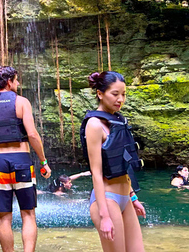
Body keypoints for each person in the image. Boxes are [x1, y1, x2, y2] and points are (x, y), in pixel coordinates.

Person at [0, 66, 52, 252]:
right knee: (28, 214)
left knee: (3, 216)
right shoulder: (21, 102)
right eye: (16, 80)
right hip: (21, 160)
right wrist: (43, 161)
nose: (18, 83)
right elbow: (32, 134)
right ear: (9, 82)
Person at [80, 71, 146, 252]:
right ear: (100, 94)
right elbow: (97, 172)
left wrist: (133, 197)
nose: (120, 99)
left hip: (126, 198)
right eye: (115, 94)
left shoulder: (120, 121)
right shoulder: (94, 124)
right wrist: (105, 216)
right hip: (108, 201)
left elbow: (122, 165)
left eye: (123, 94)